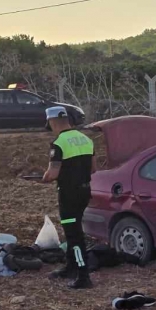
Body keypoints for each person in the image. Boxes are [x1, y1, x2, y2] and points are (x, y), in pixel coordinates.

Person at [41, 106, 96, 289]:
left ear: (52, 122)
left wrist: (45, 177)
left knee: (74, 235)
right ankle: (71, 266)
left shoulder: (59, 144)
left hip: (68, 195)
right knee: (74, 229)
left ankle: (83, 275)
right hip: (84, 192)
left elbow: (53, 174)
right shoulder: (86, 139)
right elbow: (93, 169)